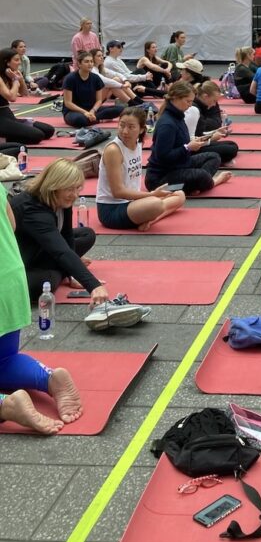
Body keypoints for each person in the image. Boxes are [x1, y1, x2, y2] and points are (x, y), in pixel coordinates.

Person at [0, 182, 82, 433]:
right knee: (4, 359)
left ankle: (6, 406)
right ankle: (48, 378)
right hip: (10, 276)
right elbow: (10, 223)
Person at [10, 159, 110, 303]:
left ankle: (67, 266)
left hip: (41, 247)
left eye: (78, 188)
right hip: (21, 262)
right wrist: (94, 286)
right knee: (45, 283)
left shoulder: (61, 198)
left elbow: (67, 235)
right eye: (70, 189)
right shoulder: (33, 210)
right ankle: (63, 267)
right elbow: (61, 251)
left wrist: (72, 273)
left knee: (87, 234)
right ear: (53, 186)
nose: (75, 194)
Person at [96, 108, 186, 231]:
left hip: (134, 202)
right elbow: (117, 192)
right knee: (155, 204)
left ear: (142, 129)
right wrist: (152, 194)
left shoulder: (138, 145)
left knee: (179, 194)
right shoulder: (114, 150)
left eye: (131, 127)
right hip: (112, 208)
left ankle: (151, 219)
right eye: (121, 126)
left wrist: (151, 196)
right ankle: (150, 215)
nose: (125, 131)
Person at [144, 81, 231, 195]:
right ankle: (210, 182)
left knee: (213, 157)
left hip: (179, 165)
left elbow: (182, 144)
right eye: (188, 101)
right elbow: (163, 157)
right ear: (175, 98)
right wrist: (187, 148)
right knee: (201, 175)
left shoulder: (177, 116)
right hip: (159, 183)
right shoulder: (167, 124)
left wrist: (196, 141)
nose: (190, 105)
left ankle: (195, 184)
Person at [0, 47, 55, 146]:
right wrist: (15, 81)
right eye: (16, 60)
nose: (19, 63)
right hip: (1, 117)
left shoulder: (12, 74)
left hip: (7, 115)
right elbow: (11, 97)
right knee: (37, 136)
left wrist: (20, 79)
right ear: (7, 62)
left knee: (48, 130)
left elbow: (25, 93)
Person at [62, 51, 124, 128]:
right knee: (79, 120)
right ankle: (97, 119)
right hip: (74, 111)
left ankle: (93, 118)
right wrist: (85, 112)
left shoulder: (95, 78)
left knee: (121, 109)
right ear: (79, 64)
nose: (90, 64)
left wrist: (92, 111)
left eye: (91, 61)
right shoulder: (70, 78)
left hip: (92, 110)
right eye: (86, 62)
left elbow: (99, 100)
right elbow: (68, 103)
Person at [188, 81, 239, 165]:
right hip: (191, 148)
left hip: (197, 141)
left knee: (232, 145)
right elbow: (191, 139)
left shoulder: (204, 105)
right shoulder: (193, 110)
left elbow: (215, 122)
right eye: (214, 100)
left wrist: (215, 132)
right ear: (205, 96)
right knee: (230, 149)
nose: (215, 104)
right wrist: (211, 138)